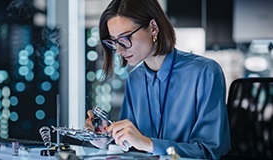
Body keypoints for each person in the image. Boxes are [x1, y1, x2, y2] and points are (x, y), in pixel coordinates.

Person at [85, 0, 231, 159]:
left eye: (125, 38)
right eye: (113, 41)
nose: (119, 50)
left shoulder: (205, 72)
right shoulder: (135, 79)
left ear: (153, 27)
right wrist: (105, 139)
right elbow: (131, 146)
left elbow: (208, 153)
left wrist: (148, 143)